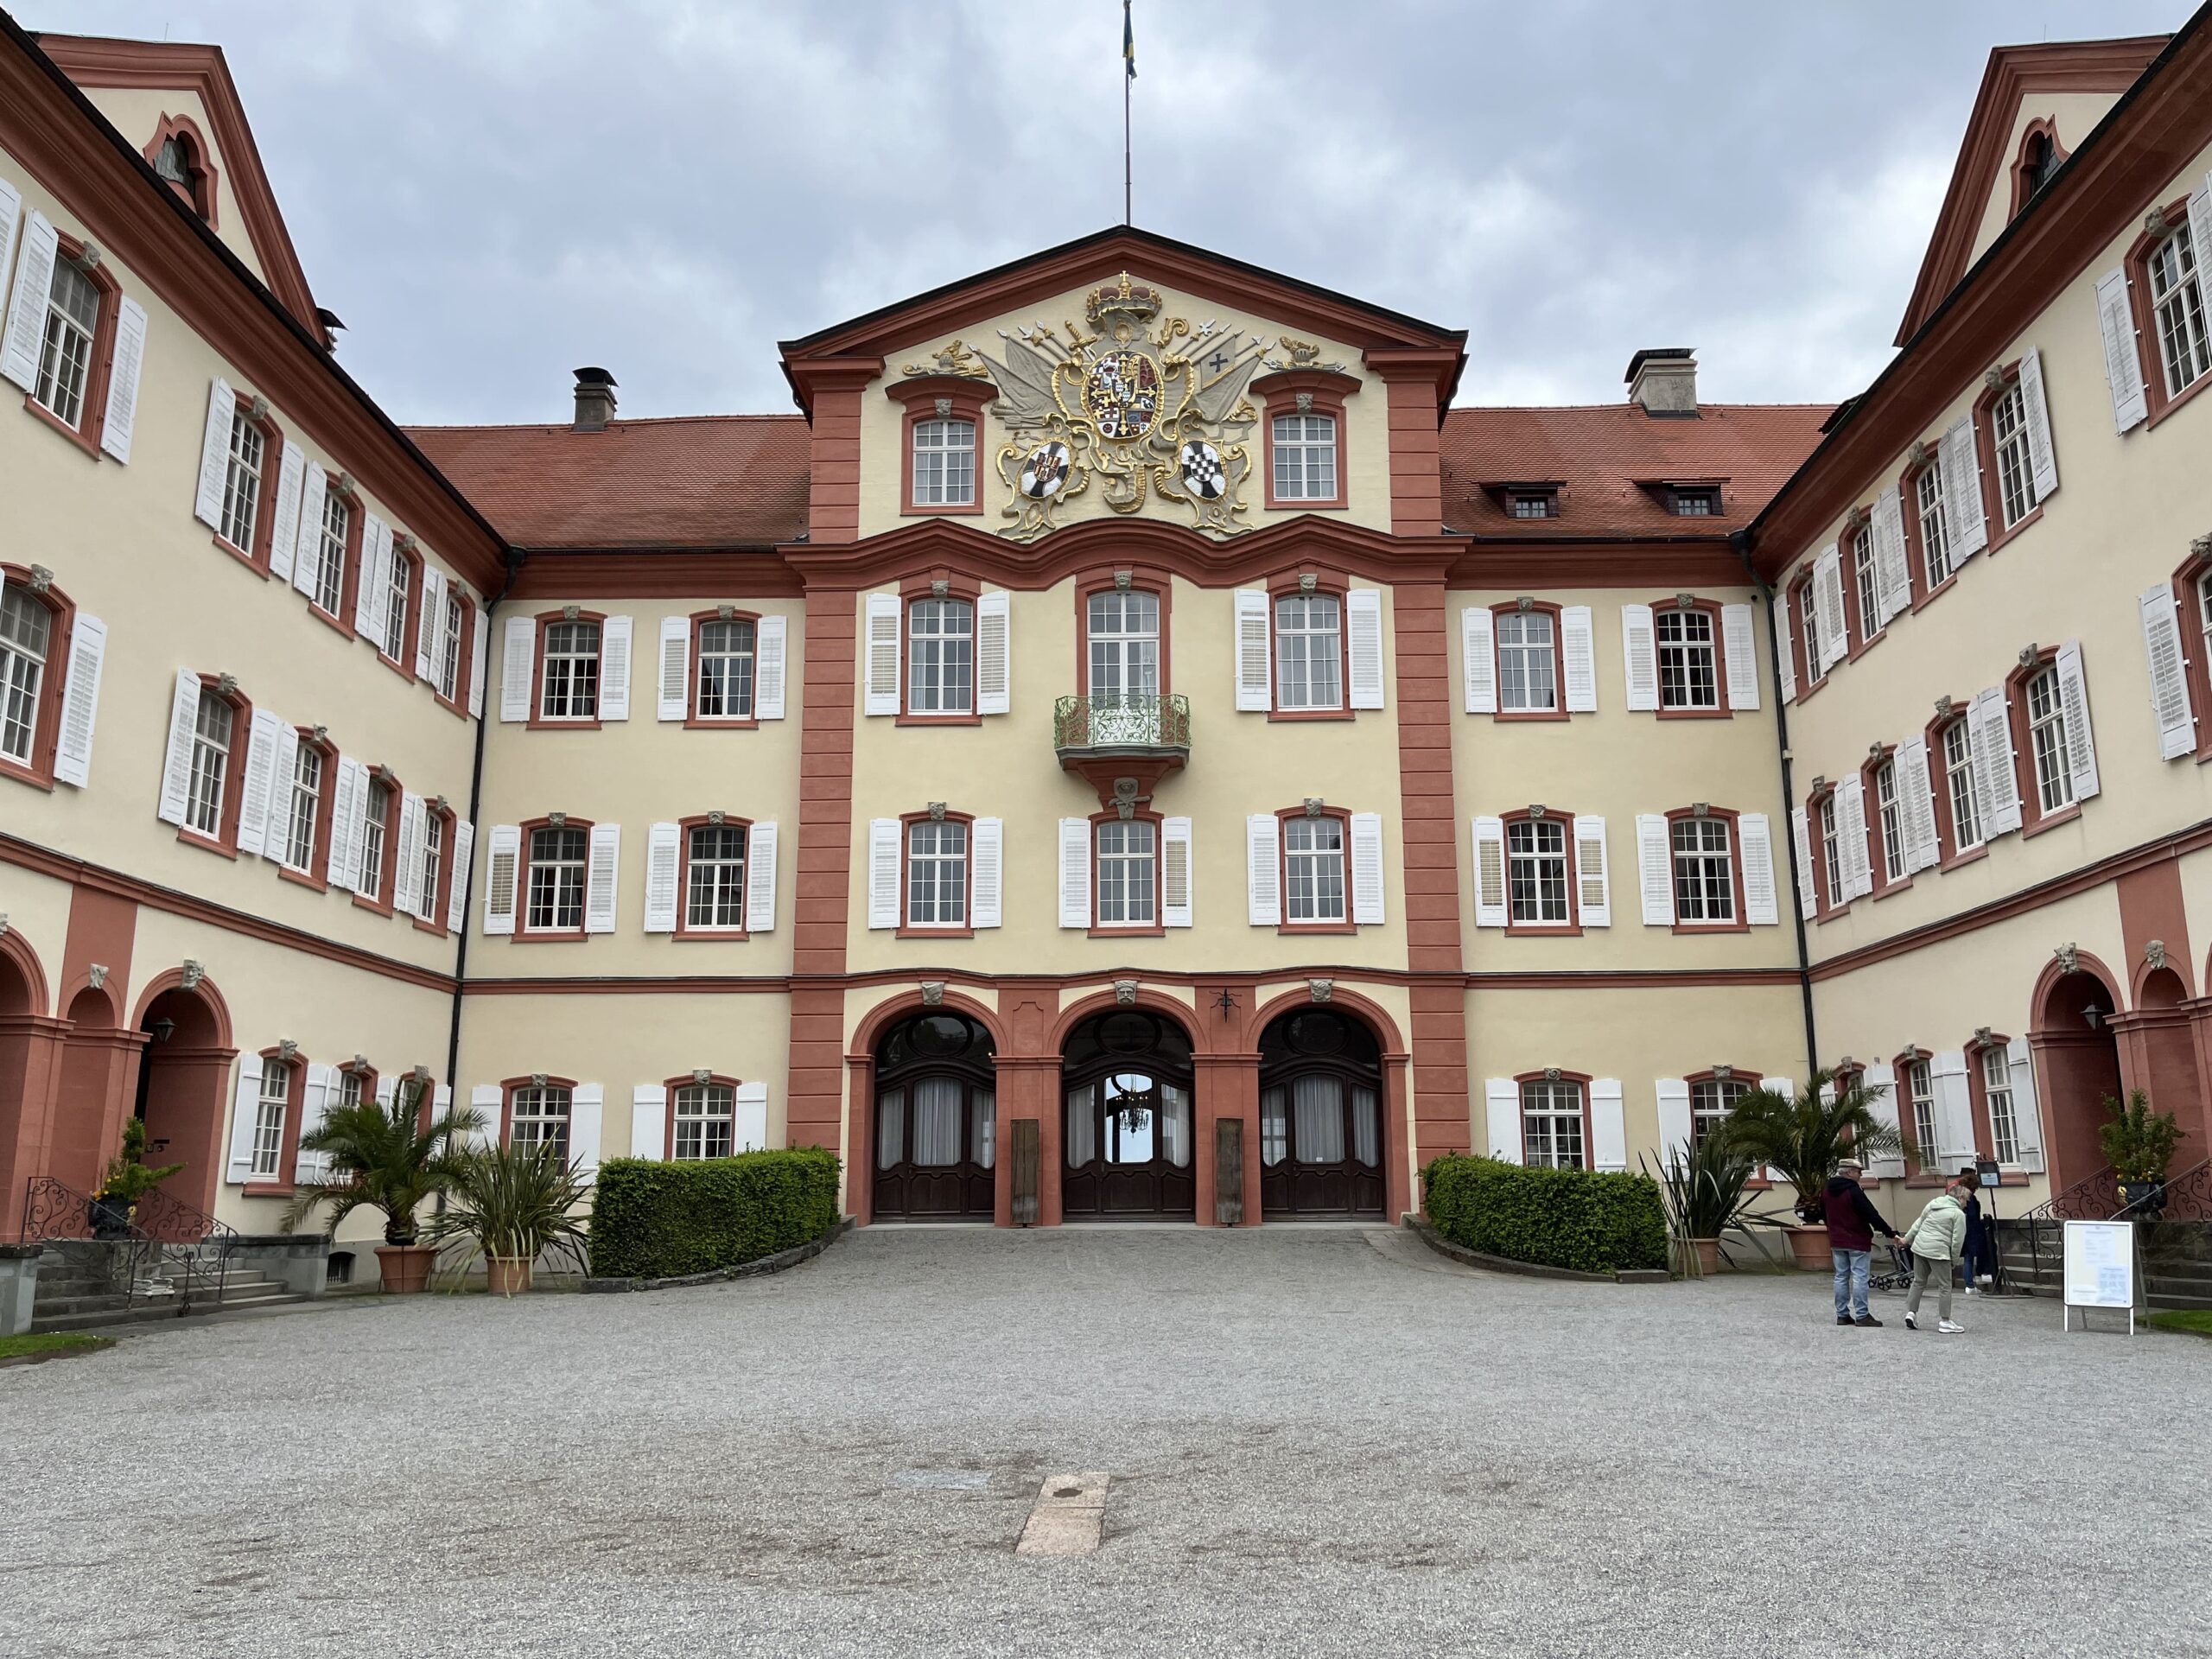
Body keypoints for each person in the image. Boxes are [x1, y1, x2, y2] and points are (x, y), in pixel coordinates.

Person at [1818, 1156, 1900, 1327]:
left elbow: (1822, 1213)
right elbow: (1871, 1214)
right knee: (1860, 1277)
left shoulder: (1826, 1190)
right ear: (1849, 1172)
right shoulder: (1853, 1190)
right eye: (1858, 1171)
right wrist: (1890, 1233)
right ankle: (1862, 1315)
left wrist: (1832, 1229)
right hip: (1857, 1239)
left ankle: (1842, 1315)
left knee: (1841, 1277)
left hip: (1837, 1240)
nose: (1861, 1174)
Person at [1902, 1173, 1973, 1332]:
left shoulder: (1933, 1204)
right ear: (1960, 1198)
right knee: (1945, 1286)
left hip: (1920, 1247)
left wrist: (1906, 1239)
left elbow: (1919, 1223)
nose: (1966, 1204)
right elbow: (1957, 1241)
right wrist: (1954, 1260)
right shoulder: (1958, 1215)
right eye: (1966, 1200)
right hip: (1939, 1252)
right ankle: (1945, 1321)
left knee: (1918, 1281)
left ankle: (1911, 1313)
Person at [1955, 1167, 1987, 1295]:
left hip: (1962, 1230)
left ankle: (1970, 1283)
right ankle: (1970, 1284)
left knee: (1967, 1258)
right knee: (1969, 1258)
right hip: (1970, 1231)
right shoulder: (1969, 1198)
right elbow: (1973, 1216)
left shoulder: (1958, 1196)